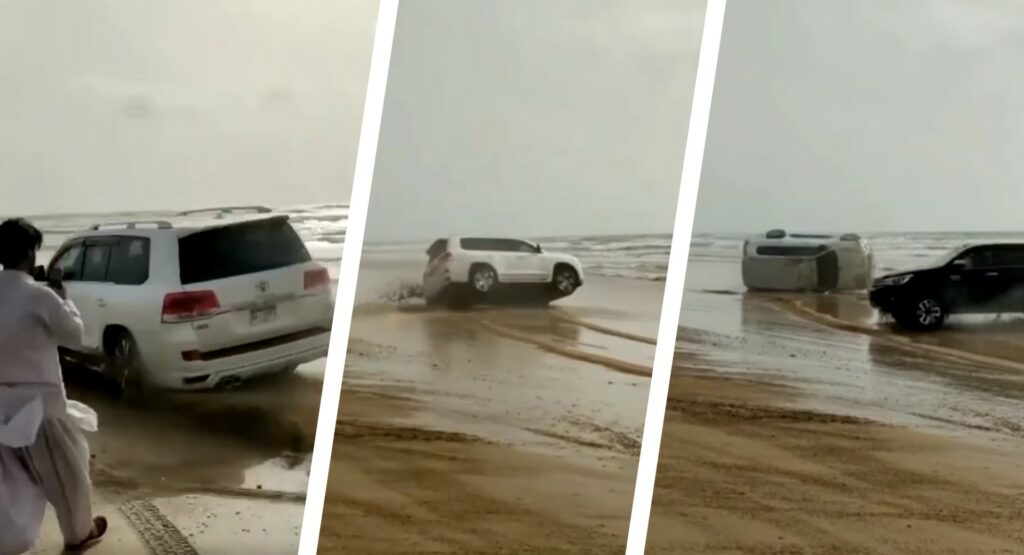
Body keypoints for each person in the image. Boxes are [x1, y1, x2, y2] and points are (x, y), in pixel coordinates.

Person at [0, 218, 106, 553]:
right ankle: (79, 534)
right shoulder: (40, 296)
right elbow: (75, 336)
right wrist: (63, 297)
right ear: (31, 253)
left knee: (11, 485)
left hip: (2, 406)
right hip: (42, 407)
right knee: (68, 476)